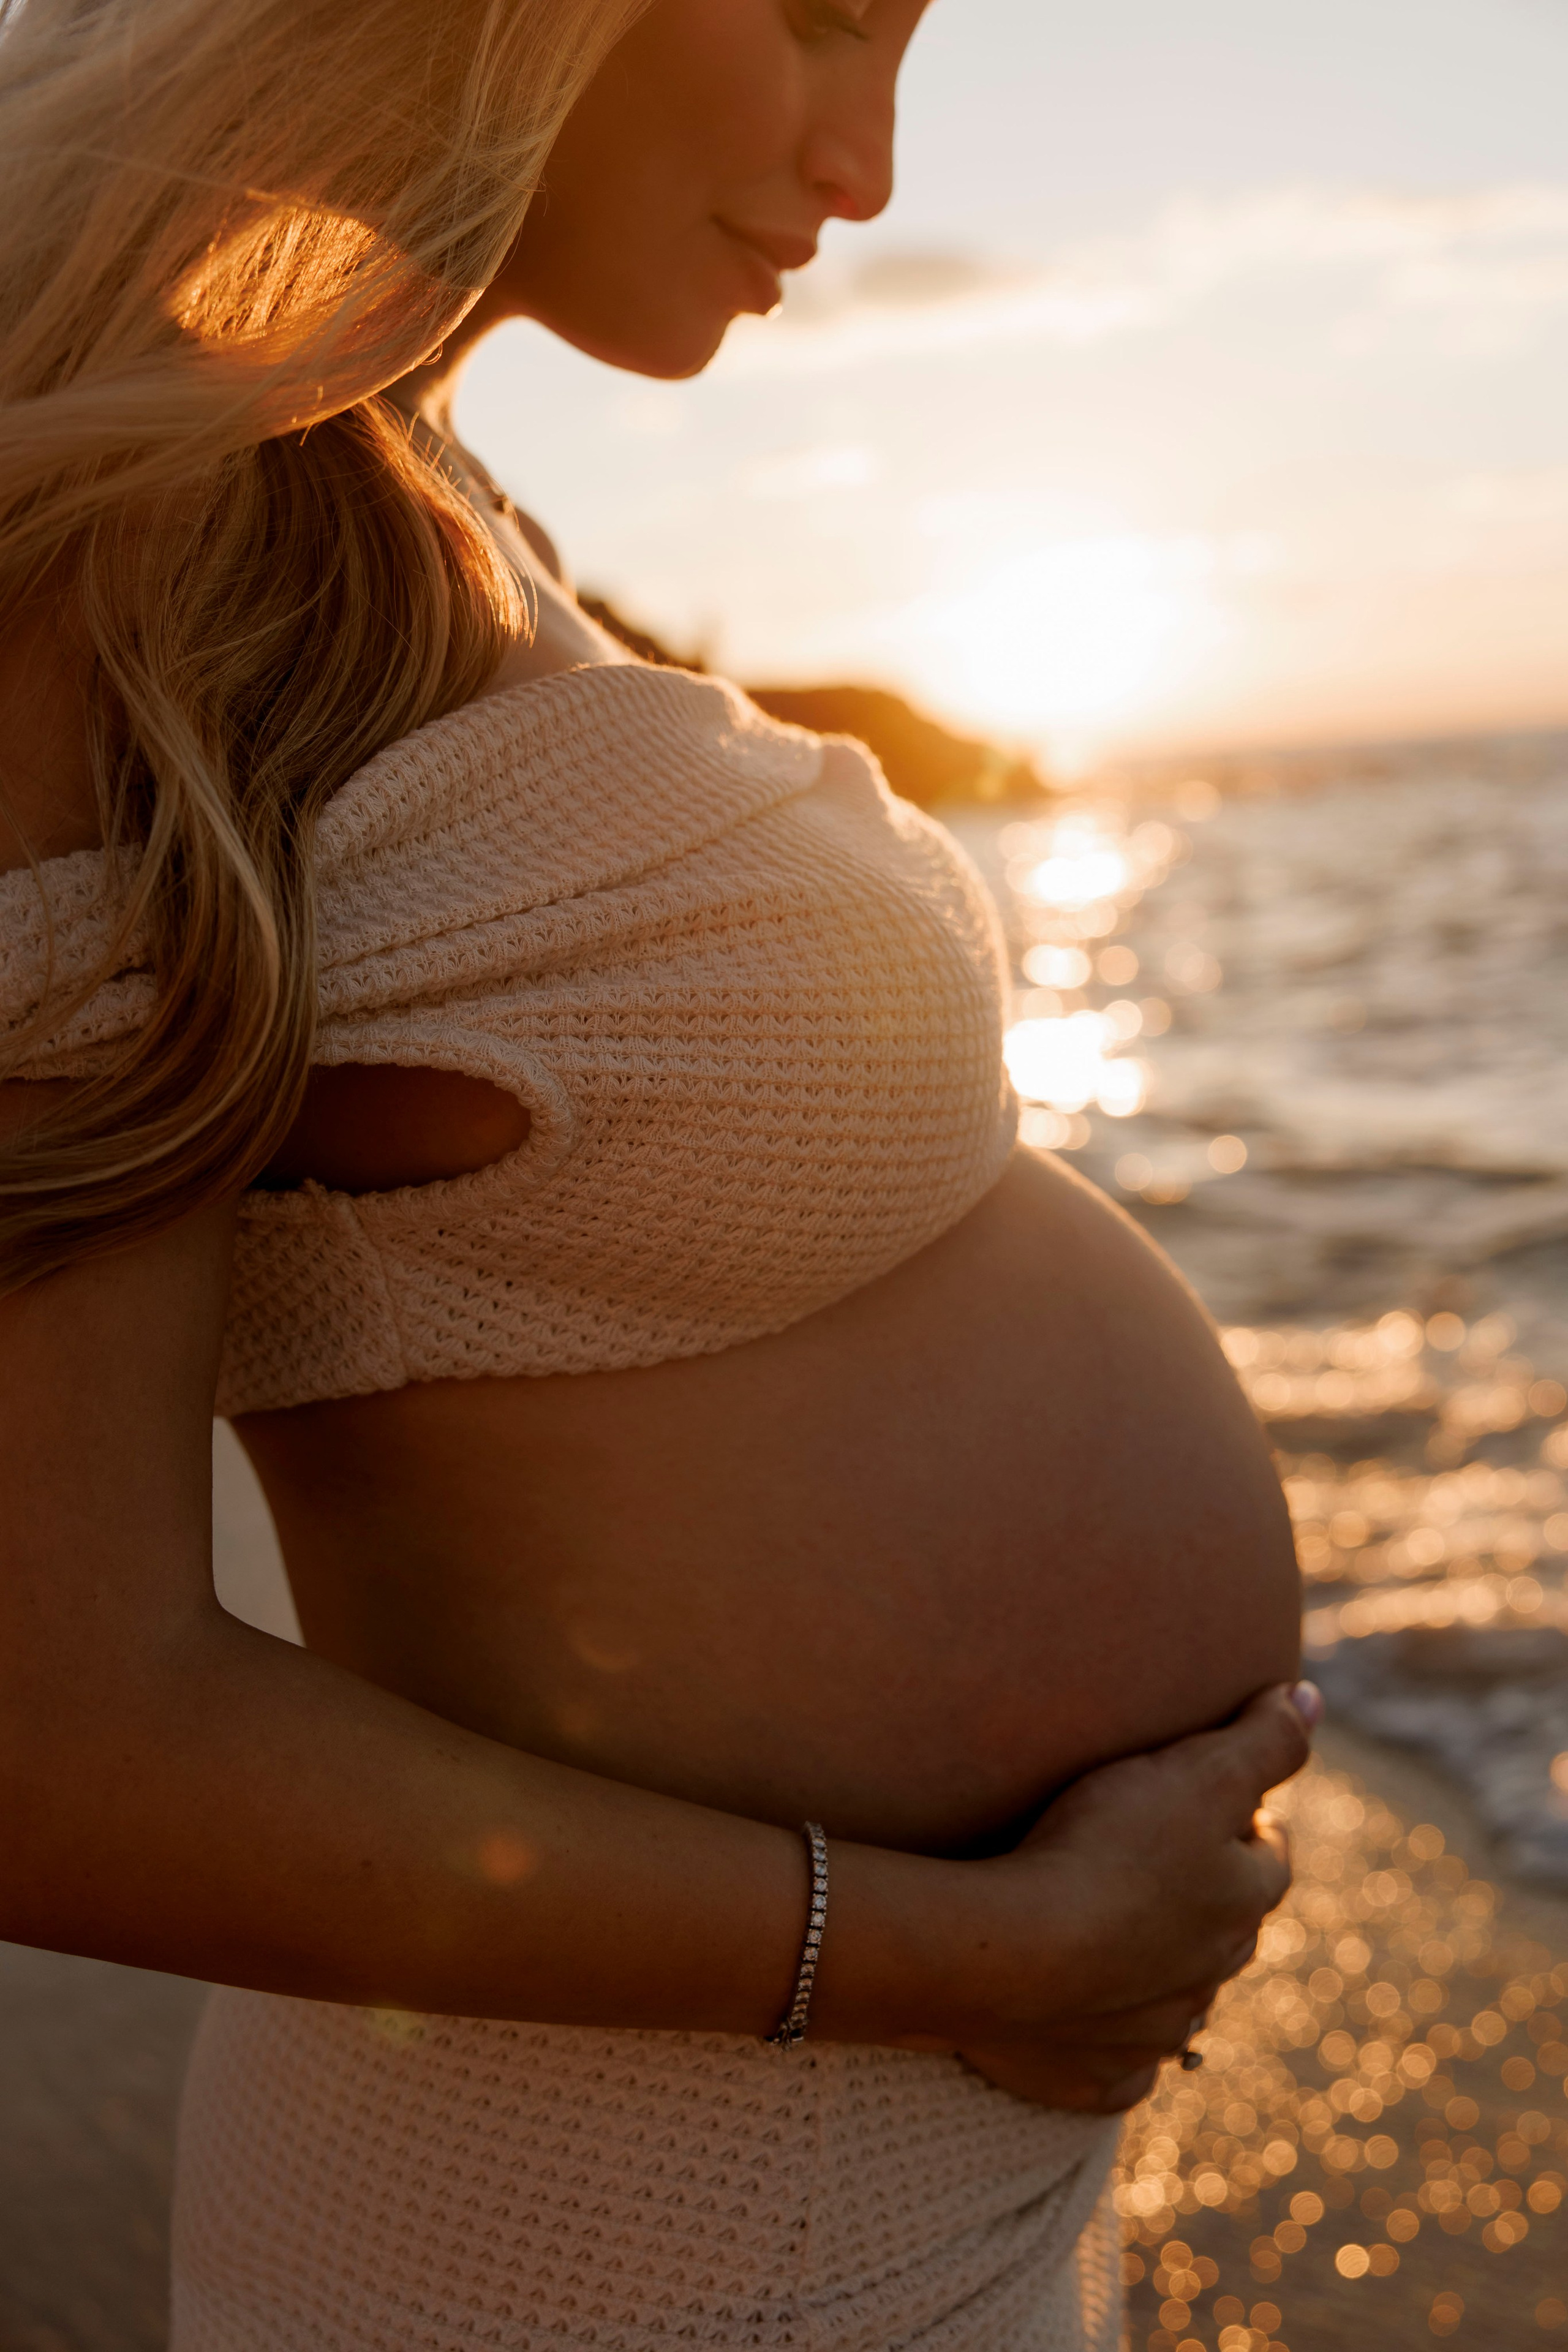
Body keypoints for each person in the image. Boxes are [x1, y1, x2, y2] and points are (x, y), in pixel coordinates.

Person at [0, 1, 1313, 2344]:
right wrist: (978, 1948)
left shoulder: (384, 486)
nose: (870, 165)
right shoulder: (114, 539)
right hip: (629, 2218)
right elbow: (47, 1740)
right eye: (820, 14)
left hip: (836, 2168)